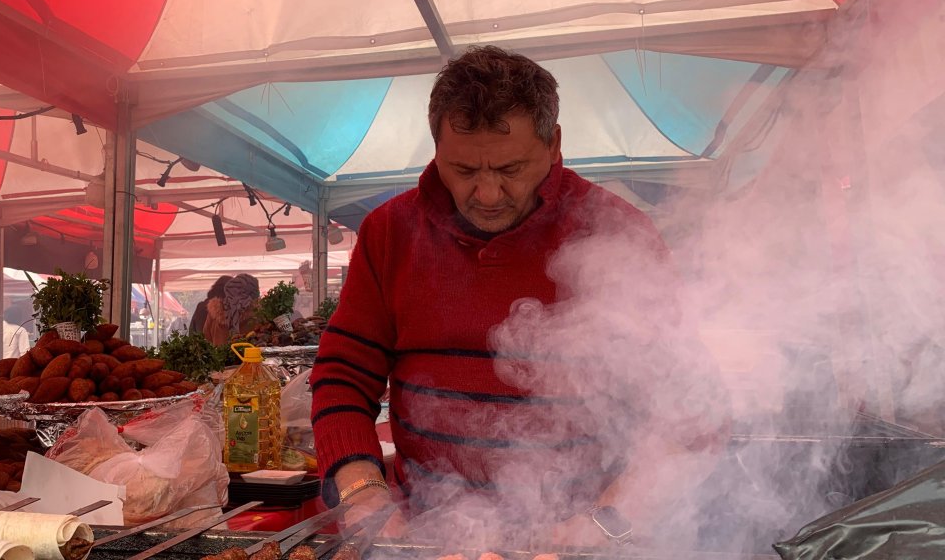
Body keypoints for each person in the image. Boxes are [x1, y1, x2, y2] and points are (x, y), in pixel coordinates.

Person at [309, 46, 727, 548]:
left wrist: (606, 522)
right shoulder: (389, 232)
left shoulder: (616, 233)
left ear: (553, 145)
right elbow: (342, 376)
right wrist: (364, 494)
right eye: (463, 170)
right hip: (428, 533)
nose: (486, 194)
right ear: (436, 148)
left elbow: (689, 412)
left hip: (580, 536)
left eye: (510, 169)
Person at [202, 273, 260, 346]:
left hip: (219, 356)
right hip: (248, 356)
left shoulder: (215, 311)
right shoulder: (257, 315)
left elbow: (206, 337)